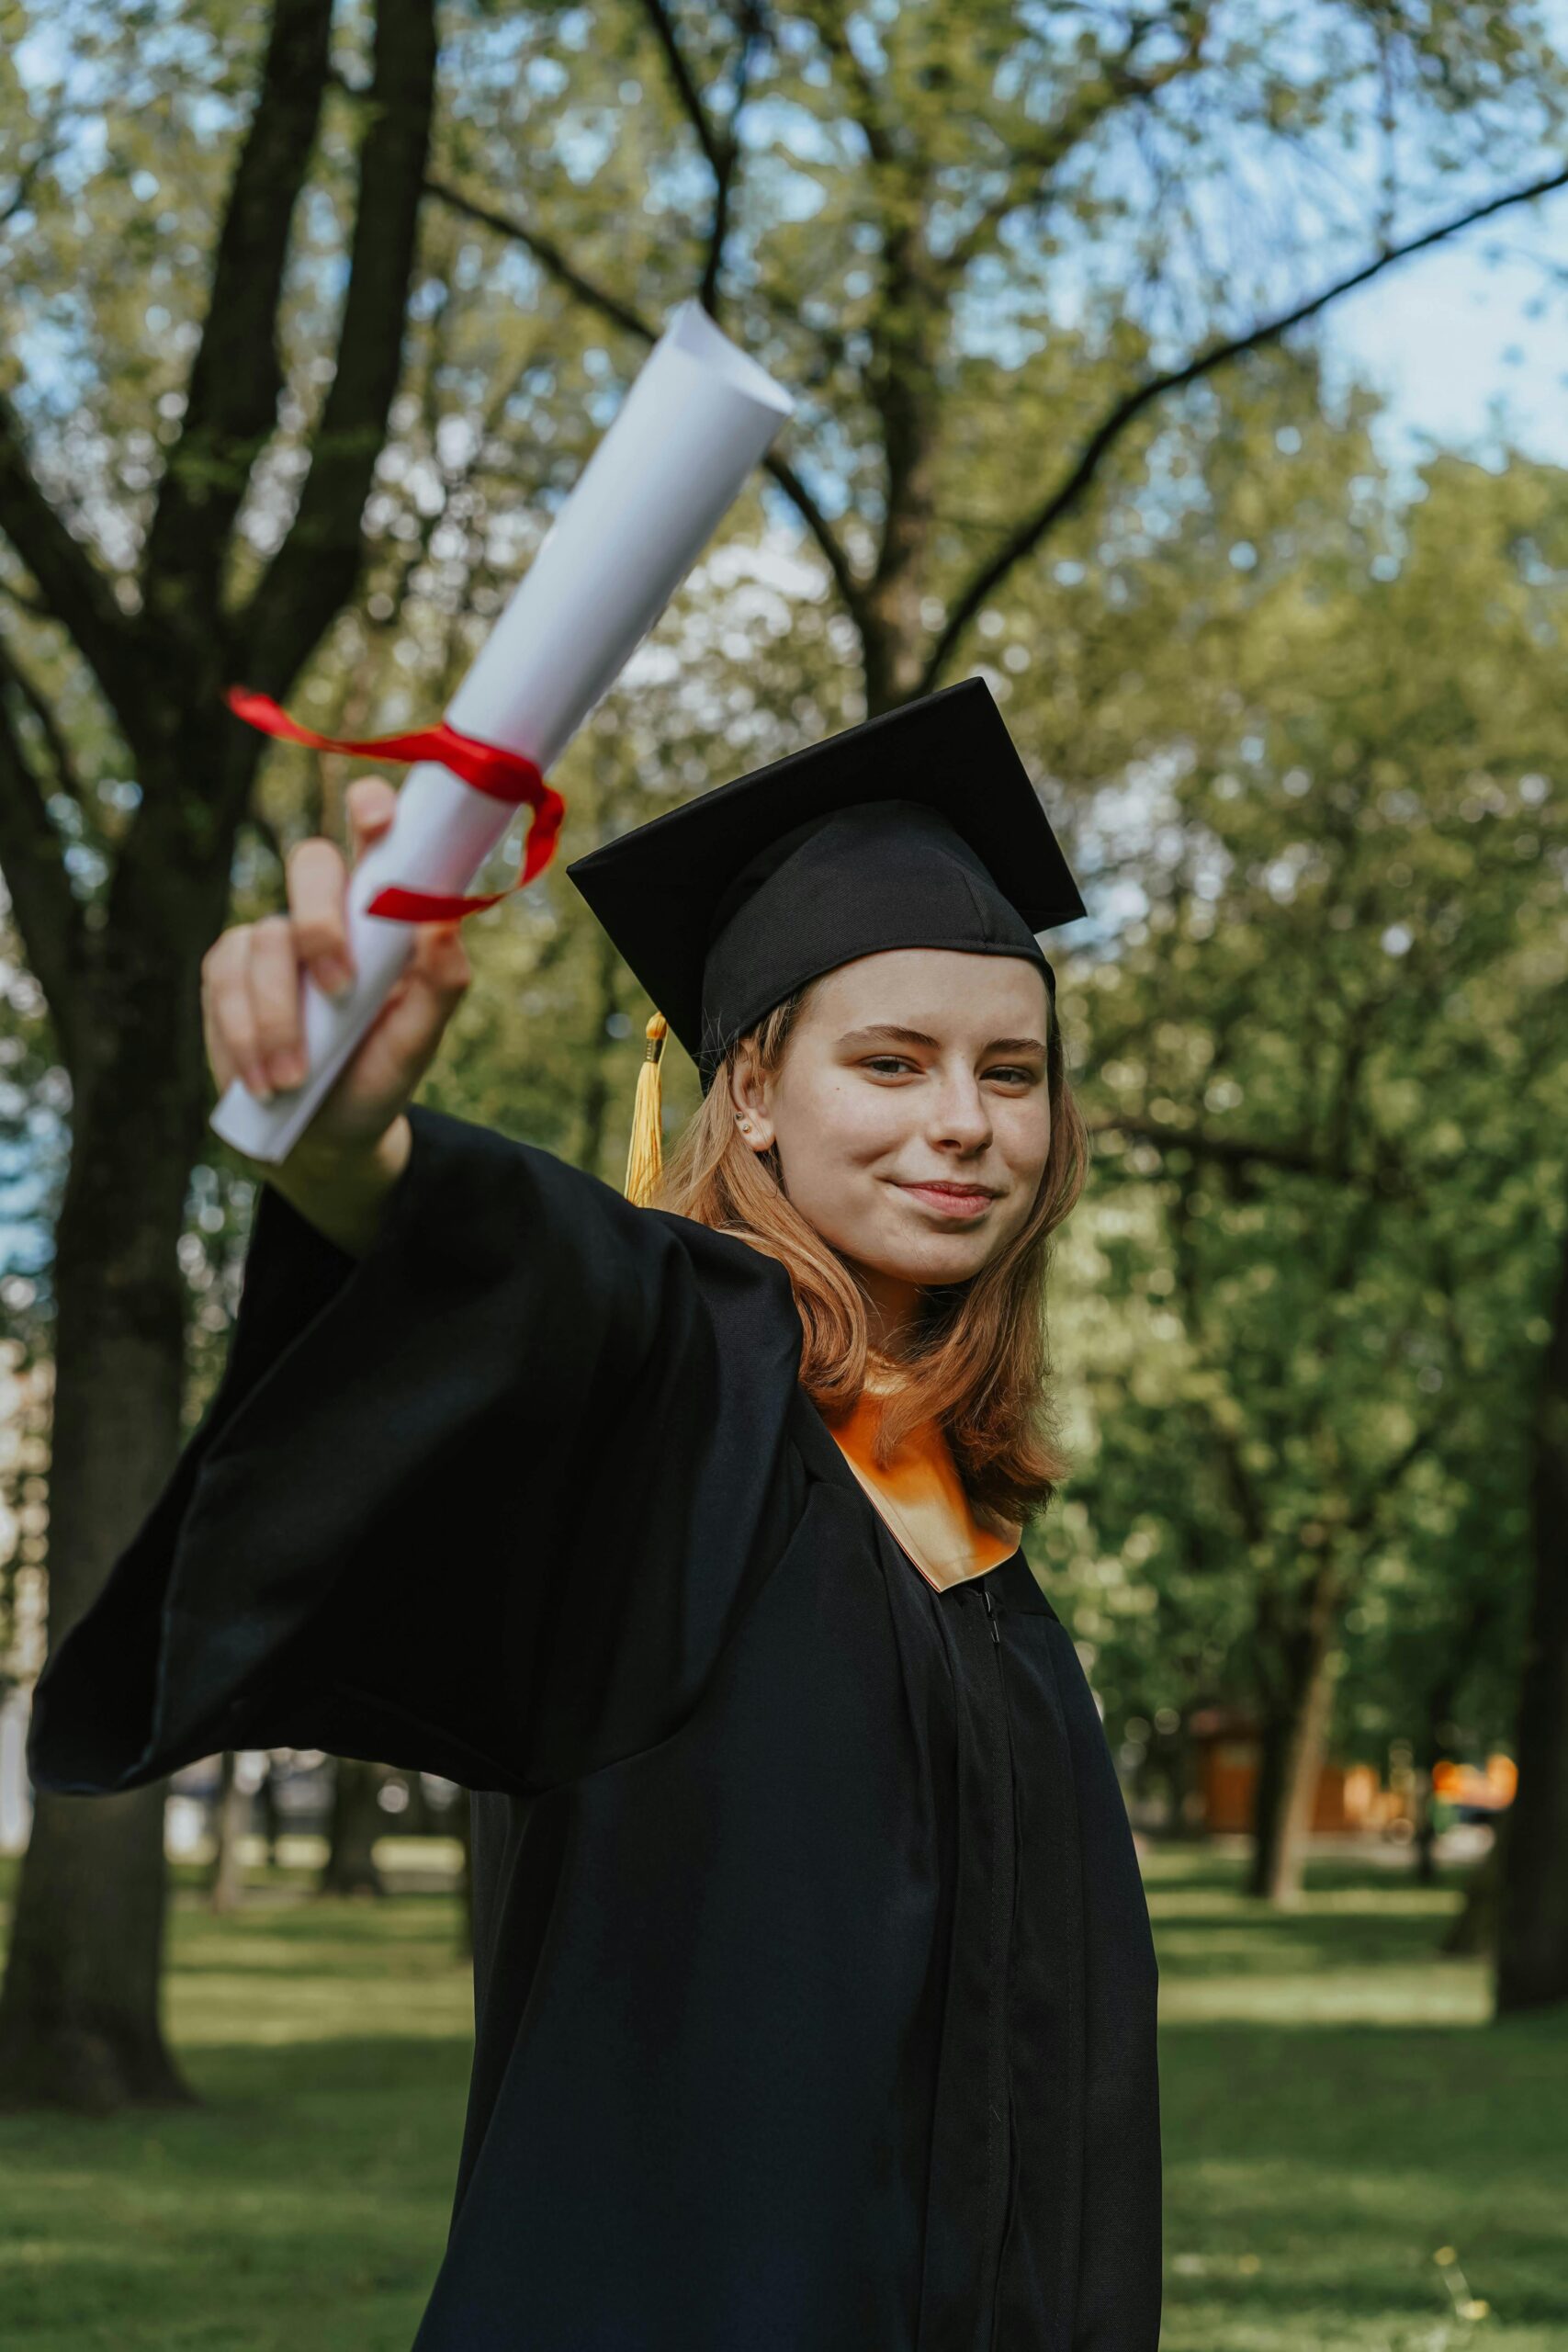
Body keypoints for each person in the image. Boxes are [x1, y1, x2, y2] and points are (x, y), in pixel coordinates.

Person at [29, 678, 1161, 2350]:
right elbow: (538, 1281)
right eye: (893, 1061)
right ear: (752, 1091)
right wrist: (349, 1149)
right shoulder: (684, 1406)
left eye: (1014, 1071)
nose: (964, 1123)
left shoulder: (975, 1538)